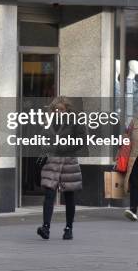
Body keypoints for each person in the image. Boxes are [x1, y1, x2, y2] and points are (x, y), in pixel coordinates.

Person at [37, 96, 84, 241]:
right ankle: (46, 227)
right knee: (49, 195)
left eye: (61, 109)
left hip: (68, 162)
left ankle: (69, 229)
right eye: (55, 109)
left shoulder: (75, 122)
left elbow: (81, 141)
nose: (58, 112)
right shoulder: (47, 123)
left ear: (67, 110)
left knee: (69, 196)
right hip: (52, 162)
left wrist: (63, 147)